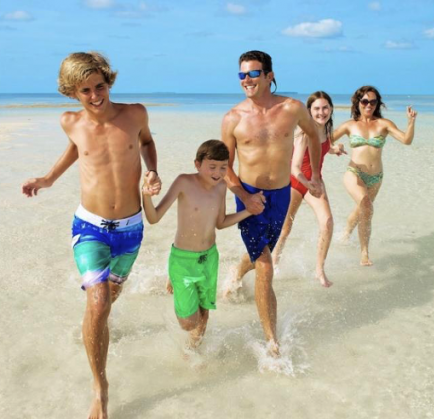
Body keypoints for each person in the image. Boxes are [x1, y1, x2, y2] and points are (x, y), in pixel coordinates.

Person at [21, 52, 161, 419]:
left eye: (100, 86)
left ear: (108, 81)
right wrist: (48, 179)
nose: (96, 95)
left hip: (131, 230)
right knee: (98, 303)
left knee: (108, 299)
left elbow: (146, 143)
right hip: (89, 228)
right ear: (72, 92)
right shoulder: (70, 121)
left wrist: (152, 171)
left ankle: (93, 332)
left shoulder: (135, 114)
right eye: (85, 90)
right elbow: (77, 149)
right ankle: (100, 388)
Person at [221, 50, 322, 356]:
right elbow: (225, 166)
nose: (247, 80)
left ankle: (236, 273)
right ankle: (272, 342)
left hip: (280, 195)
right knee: (265, 266)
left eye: (253, 73)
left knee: (258, 255)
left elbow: (314, 137)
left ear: (269, 76)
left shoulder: (292, 109)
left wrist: (315, 174)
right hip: (248, 195)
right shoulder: (233, 118)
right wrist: (244, 197)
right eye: (242, 75)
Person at [141, 140, 251, 353]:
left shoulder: (221, 186)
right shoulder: (184, 182)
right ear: (197, 164)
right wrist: (145, 196)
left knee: (204, 311)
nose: (218, 172)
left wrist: (249, 212)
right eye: (212, 167)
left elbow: (220, 223)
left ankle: (193, 349)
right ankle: (174, 278)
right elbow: (154, 218)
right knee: (188, 323)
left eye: (222, 167)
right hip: (183, 260)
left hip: (209, 258)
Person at [333, 85, 417, 266]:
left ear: (377, 103)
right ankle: (364, 253)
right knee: (366, 206)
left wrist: (410, 123)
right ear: (358, 103)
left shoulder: (384, 124)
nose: (368, 105)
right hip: (354, 172)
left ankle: (346, 233)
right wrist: (335, 149)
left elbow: (406, 140)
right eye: (364, 101)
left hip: (376, 177)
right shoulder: (350, 125)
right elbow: (324, 141)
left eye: (373, 101)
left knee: (362, 209)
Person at [272, 91, 347, 287]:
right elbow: (295, 168)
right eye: (316, 109)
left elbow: (321, 148)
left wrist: (333, 150)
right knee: (286, 227)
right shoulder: (304, 133)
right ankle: (273, 263)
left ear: (331, 109)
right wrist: (309, 185)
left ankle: (319, 270)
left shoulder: (325, 130)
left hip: (314, 180)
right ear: (309, 111)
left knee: (327, 222)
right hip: (296, 181)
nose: (321, 112)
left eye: (325, 108)